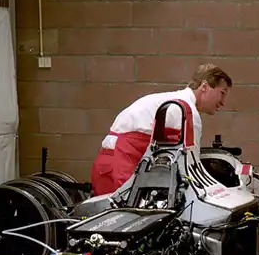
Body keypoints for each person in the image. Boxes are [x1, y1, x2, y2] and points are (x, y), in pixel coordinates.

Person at [89, 63, 232, 196]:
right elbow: (190, 166)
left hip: (108, 166)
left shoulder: (169, 100)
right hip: (121, 168)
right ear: (205, 87)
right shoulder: (185, 110)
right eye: (222, 93)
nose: (223, 102)